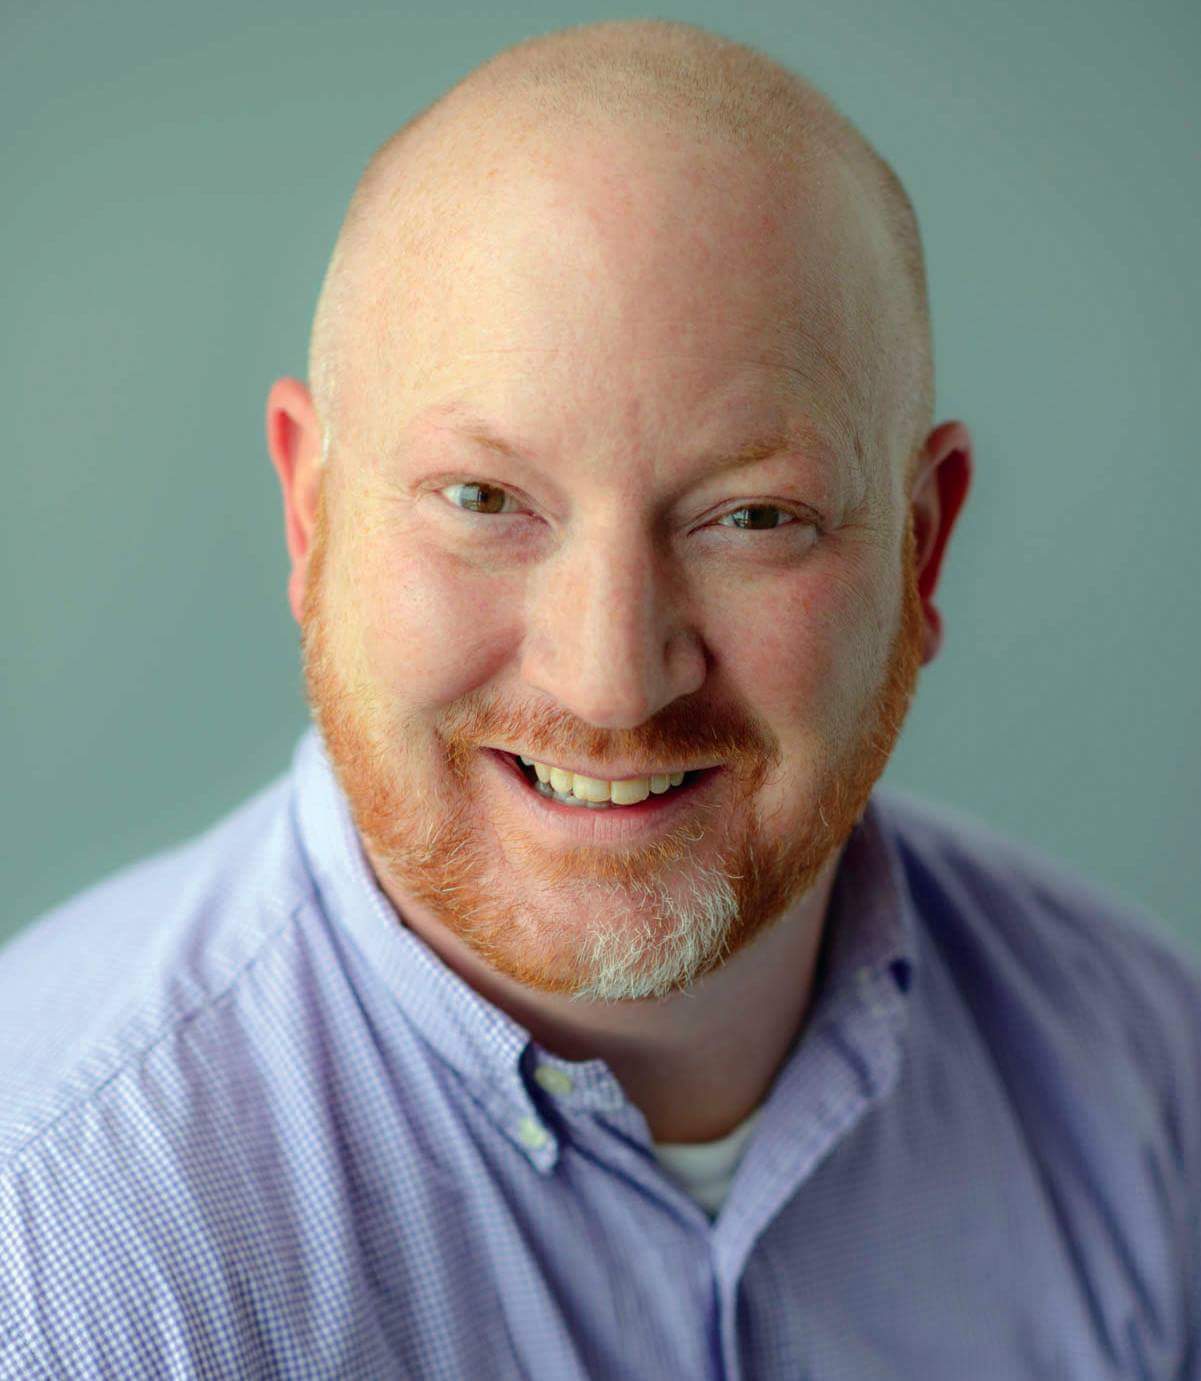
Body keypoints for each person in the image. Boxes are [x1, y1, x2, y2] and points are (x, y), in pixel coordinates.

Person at [1, 17, 1197, 1379]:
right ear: (309, 515)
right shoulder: (48, 1264)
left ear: (921, 551)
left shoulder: (1148, 1080)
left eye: (753, 517)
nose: (612, 679)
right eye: (483, 500)